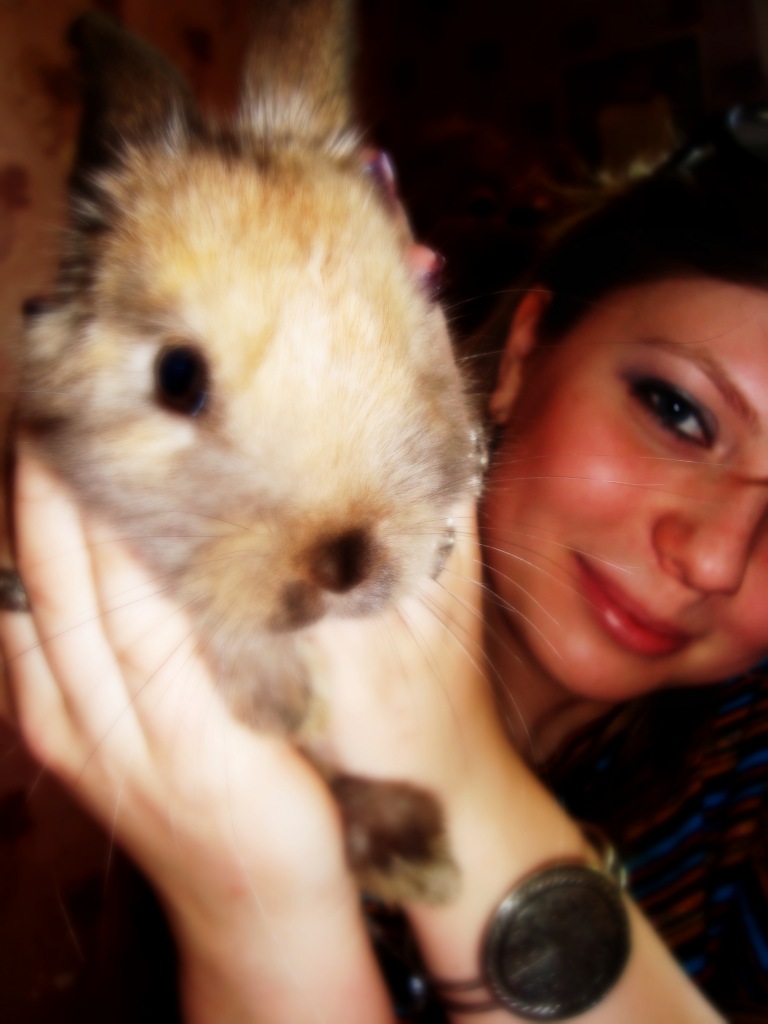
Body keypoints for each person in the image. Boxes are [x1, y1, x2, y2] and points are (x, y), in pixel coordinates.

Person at [2, 107, 768, 1023]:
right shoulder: (227, 655)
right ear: (524, 354)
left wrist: (434, 786)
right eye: (678, 412)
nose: (715, 557)